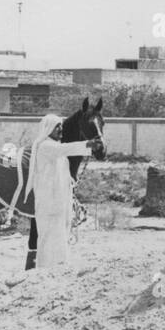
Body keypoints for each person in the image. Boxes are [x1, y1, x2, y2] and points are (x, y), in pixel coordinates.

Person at [24, 113, 99, 269]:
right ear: (48, 129)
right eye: (57, 126)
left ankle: (59, 266)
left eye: (60, 125)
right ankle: (45, 268)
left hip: (58, 200)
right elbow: (66, 148)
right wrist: (87, 144)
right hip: (48, 201)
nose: (60, 129)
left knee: (60, 234)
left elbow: (63, 170)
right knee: (48, 236)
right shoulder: (46, 146)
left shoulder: (55, 148)